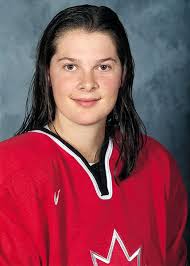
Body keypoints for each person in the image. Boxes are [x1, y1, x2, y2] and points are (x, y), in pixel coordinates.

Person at [0, 4, 188, 266]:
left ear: (123, 73)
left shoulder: (158, 163)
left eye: (103, 67)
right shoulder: (8, 170)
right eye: (70, 67)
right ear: (47, 74)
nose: (87, 83)